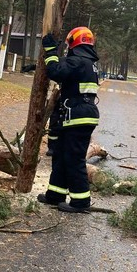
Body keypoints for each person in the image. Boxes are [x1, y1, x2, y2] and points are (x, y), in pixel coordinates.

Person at [37, 26, 100, 213]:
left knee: (73, 159)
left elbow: (56, 71)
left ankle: (81, 202)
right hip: (77, 116)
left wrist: (50, 51)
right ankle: (55, 195)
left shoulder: (79, 60)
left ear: (74, 42)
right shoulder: (87, 62)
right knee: (61, 156)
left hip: (77, 117)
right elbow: (66, 71)